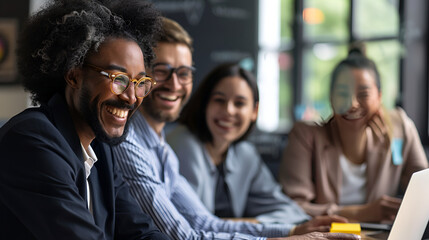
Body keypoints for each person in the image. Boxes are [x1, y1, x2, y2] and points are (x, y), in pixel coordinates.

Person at [111, 10, 359, 239]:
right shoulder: (129, 141)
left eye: (184, 73)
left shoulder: (162, 150)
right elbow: (185, 236)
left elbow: (206, 222)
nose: (175, 84)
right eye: (161, 70)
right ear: (139, 75)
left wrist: (293, 230)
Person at [0, 0, 170, 239]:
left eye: (140, 83)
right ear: (74, 76)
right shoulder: (31, 140)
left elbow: (141, 232)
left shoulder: (100, 148)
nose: (132, 98)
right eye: (119, 79)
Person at [278, 43, 428, 223]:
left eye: (363, 94)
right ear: (331, 97)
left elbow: (424, 191)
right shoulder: (306, 136)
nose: (352, 104)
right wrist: (361, 213)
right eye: (342, 94)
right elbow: (293, 207)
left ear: (379, 96)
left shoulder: (399, 128)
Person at [166, 62, 309, 225]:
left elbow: (291, 212)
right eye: (219, 100)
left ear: (254, 111)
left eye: (239, 103)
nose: (229, 110)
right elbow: (194, 224)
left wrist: (251, 224)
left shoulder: (244, 154)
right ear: (205, 104)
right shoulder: (183, 143)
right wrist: (254, 226)